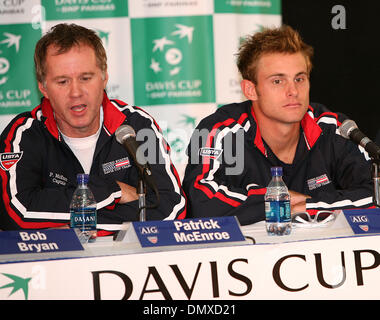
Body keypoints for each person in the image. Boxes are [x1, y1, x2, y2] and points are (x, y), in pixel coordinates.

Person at [0, 23, 186, 232]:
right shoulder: (24, 134)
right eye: (62, 81)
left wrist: (72, 226)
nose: (76, 92)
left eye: (86, 78)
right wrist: (111, 191)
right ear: (43, 87)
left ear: (104, 77)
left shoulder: (136, 124)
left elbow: (171, 209)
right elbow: (16, 215)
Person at [182, 25, 374, 226]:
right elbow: (200, 202)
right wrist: (279, 201)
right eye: (277, 81)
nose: (293, 91)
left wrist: (309, 207)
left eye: (299, 78)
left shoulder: (333, 128)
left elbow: (375, 192)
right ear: (250, 90)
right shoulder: (221, 131)